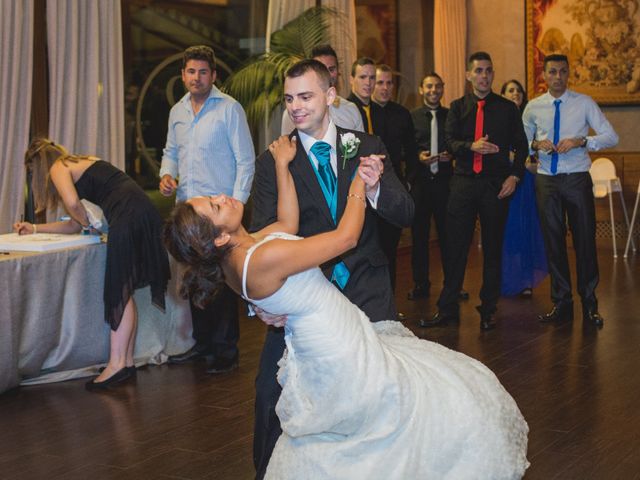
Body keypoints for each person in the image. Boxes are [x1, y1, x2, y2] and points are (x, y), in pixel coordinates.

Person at [163, 123, 529, 480]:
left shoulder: (244, 251)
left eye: (213, 197)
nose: (223, 197)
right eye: (215, 206)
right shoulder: (258, 259)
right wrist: (357, 181)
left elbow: (288, 224)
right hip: (335, 346)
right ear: (219, 239)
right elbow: (344, 239)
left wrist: (281, 165)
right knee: (392, 416)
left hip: (330, 335)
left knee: (369, 424)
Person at [250, 59, 414, 479]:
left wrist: (375, 187)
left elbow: (406, 212)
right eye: (289, 99)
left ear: (330, 96)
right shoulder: (273, 160)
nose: (296, 108)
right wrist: (262, 304)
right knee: (273, 395)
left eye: (305, 96)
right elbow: (261, 239)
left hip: (366, 289)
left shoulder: (366, 143)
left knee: (378, 398)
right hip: (305, 301)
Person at [14, 139, 170, 391]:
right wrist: (33, 228)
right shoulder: (82, 163)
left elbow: (75, 206)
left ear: (39, 165)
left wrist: (88, 223)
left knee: (118, 290)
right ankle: (126, 362)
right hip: (140, 210)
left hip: (127, 215)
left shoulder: (58, 166)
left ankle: (116, 364)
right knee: (125, 291)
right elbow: (74, 222)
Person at [159, 45, 255, 373]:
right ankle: (202, 345)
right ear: (183, 75)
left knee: (223, 280)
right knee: (194, 278)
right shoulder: (177, 111)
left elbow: (245, 160)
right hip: (189, 213)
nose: (196, 78)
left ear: (213, 75)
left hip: (219, 213)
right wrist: (166, 174)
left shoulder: (230, 109)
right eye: (190, 71)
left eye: (202, 72)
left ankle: (226, 351)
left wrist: (238, 204)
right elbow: (170, 151)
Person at [426, 52, 528, 331]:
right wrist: (471, 146)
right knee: (455, 248)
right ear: (469, 75)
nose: (484, 75)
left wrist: (515, 176)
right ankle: (447, 308)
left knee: (493, 249)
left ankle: (489, 309)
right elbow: (449, 140)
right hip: (464, 184)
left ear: (492, 75)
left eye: (488, 71)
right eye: (479, 71)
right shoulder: (458, 107)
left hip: (496, 186)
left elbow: (522, 146)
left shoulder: (507, 109)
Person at [522, 54, 618, 326]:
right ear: (544, 74)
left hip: (576, 178)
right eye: (552, 72)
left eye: (563, 72)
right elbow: (522, 140)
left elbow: (611, 136)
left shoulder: (584, 103)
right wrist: (535, 145)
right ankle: (561, 303)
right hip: (546, 180)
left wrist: (582, 140)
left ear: (568, 74)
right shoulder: (533, 107)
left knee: (584, 242)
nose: (558, 77)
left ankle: (590, 304)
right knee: (553, 243)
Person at [372, 64, 418, 294]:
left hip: (393, 189)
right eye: (380, 82)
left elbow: (412, 152)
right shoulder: (363, 112)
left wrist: (407, 182)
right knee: (371, 251)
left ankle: (388, 305)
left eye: (389, 83)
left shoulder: (402, 114)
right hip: (367, 191)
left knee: (390, 250)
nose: (385, 87)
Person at [499, 79, 548, 297]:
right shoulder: (498, 118)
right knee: (507, 231)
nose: (515, 94)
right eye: (510, 90)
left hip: (527, 181)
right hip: (504, 179)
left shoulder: (530, 120)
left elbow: (537, 151)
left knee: (526, 229)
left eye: (518, 90)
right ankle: (507, 279)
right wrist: (516, 159)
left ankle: (526, 281)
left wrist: (533, 164)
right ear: (502, 95)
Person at [408, 72, 453, 302]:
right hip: (421, 184)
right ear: (421, 89)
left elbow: (456, 142)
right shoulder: (411, 116)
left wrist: (451, 155)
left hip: (445, 184)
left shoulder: (451, 115)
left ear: (443, 88)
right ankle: (420, 284)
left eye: (437, 86)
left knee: (449, 237)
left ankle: (452, 285)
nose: (433, 90)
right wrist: (418, 156)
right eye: (429, 86)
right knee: (419, 237)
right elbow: (407, 147)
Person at [281, 44, 363, 134]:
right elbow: (287, 144)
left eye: (331, 69)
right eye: (321, 70)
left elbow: (361, 145)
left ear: (338, 71)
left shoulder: (351, 109)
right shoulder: (294, 113)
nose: (327, 74)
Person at [347, 57, 387, 137]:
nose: (368, 83)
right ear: (351, 80)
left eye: (372, 78)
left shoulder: (380, 112)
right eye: (362, 77)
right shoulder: (345, 110)